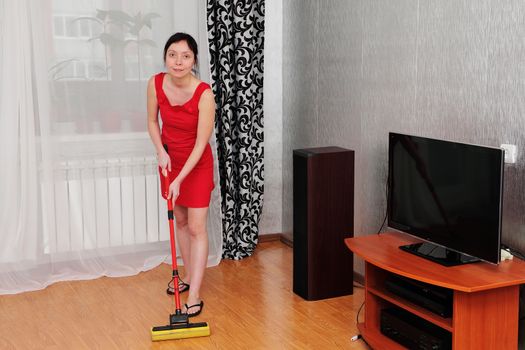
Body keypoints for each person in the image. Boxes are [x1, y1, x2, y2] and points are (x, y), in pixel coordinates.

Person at [147, 32, 215, 318]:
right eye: (172, 54)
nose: (178, 61)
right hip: (170, 161)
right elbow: (152, 121)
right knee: (182, 221)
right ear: (165, 57)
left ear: (194, 60)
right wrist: (160, 152)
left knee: (197, 227)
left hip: (196, 165)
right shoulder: (155, 83)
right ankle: (186, 276)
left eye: (185, 56)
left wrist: (179, 178)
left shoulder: (204, 94)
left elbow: (201, 144)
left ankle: (196, 294)